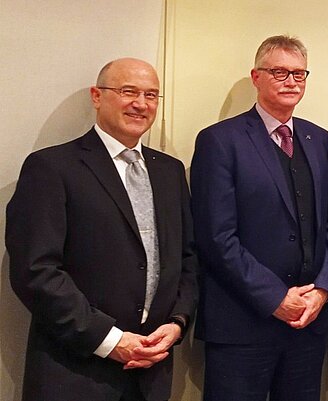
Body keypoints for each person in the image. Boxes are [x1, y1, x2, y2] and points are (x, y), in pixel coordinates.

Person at [6, 58, 198, 400]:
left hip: (152, 370)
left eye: (151, 95)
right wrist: (110, 340)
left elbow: (188, 258)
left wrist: (177, 322)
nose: (141, 104)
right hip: (75, 371)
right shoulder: (51, 167)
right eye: (128, 91)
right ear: (97, 96)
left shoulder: (170, 171)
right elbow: (36, 271)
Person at [190, 35, 328, 401]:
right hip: (242, 323)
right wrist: (275, 298)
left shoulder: (319, 139)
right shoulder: (220, 140)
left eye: (299, 73)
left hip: (308, 322)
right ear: (256, 77)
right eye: (279, 72)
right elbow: (216, 237)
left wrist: (323, 291)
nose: (291, 81)